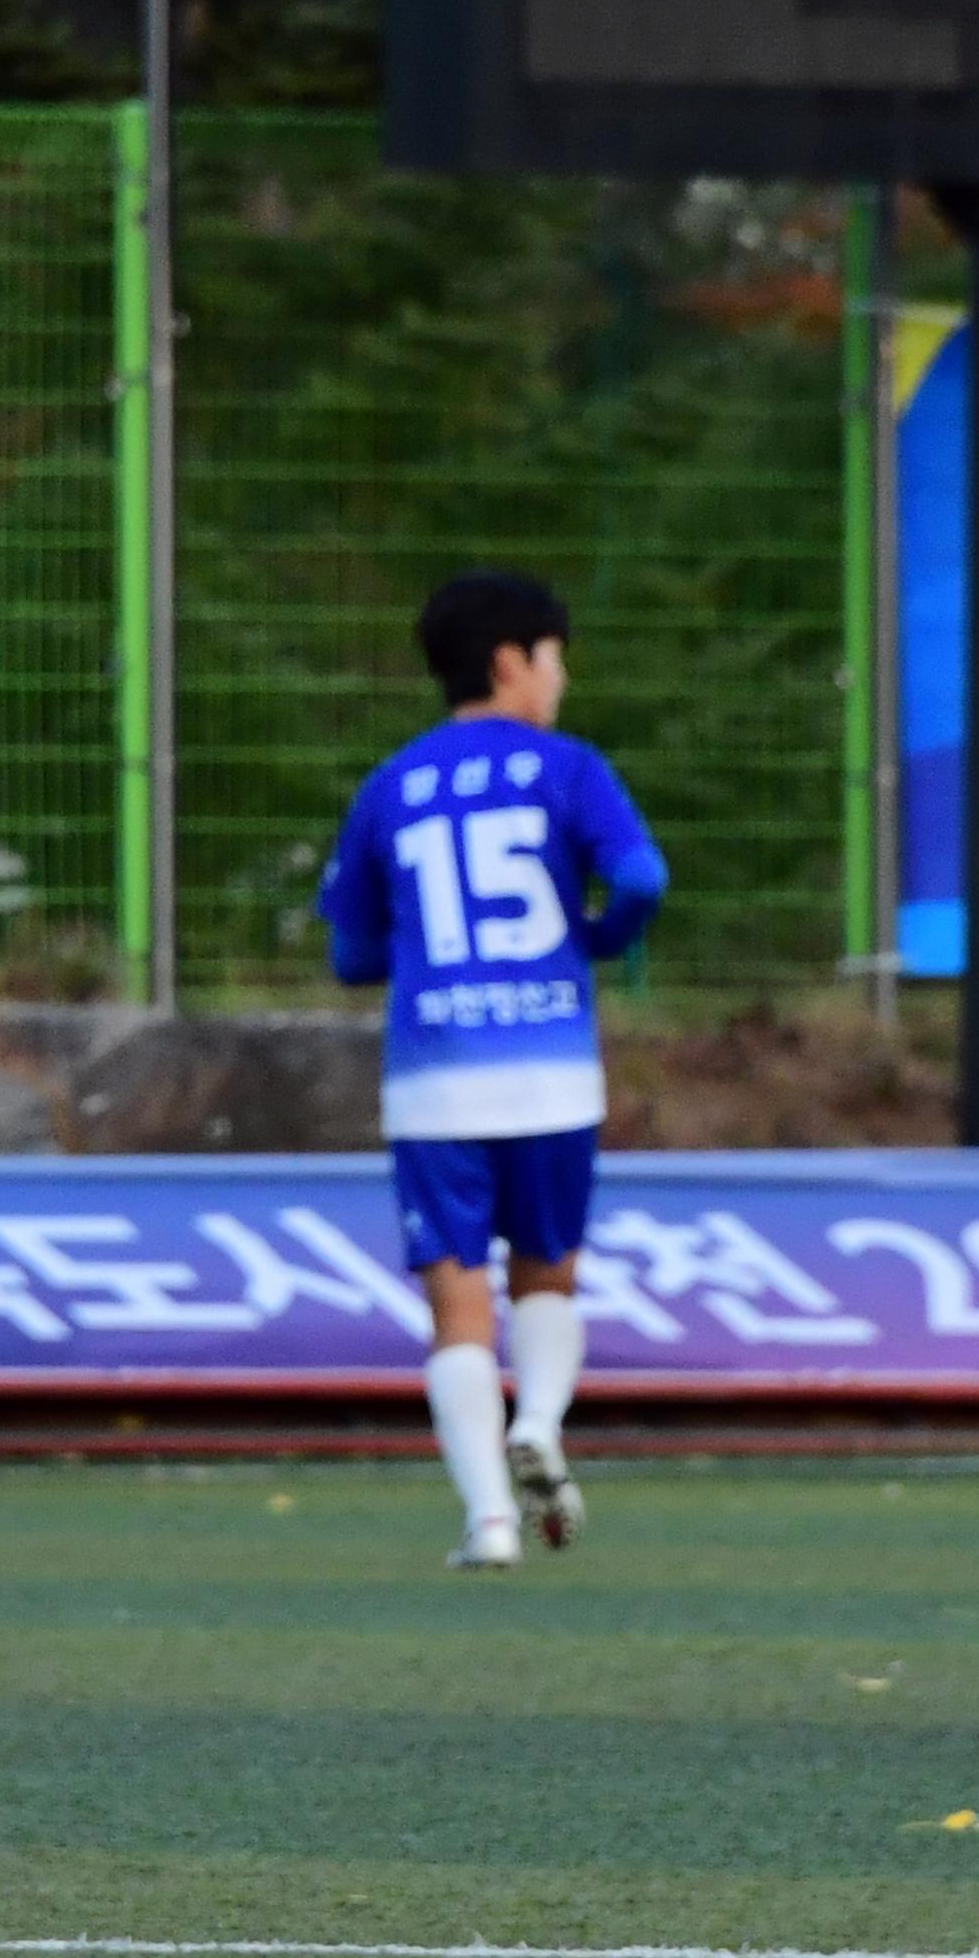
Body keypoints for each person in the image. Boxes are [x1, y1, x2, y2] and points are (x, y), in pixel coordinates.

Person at [318, 570, 666, 1569]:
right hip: (553, 1068)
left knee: (457, 1303)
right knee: (549, 1271)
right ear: (513, 659)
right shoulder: (569, 767)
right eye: (555, 657)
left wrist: (428, 954)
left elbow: (351, 954)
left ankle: (490, 1522)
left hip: (433, 1080)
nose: (560, 679)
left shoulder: (390, 784)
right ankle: (543, 1424)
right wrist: (598, 936)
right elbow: (642, 874)